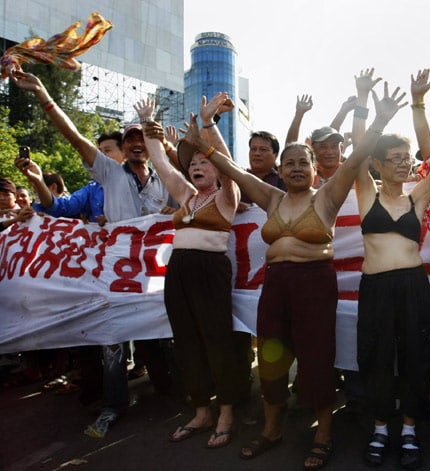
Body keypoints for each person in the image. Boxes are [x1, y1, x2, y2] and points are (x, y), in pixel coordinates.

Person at [192, 81, 405, 470]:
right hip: (276, 286)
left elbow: (356, 156)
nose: (294, 168)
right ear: (281, 169)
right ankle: (272, 429)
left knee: (316, 357)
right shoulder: (270, 197)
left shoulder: (328, 195)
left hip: (314, 284)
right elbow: (231, 169)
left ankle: (323, 433)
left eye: (301, 162)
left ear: (313, 169)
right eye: (288, 162)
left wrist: (381, 119)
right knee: (271, 360)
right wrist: (206, 135)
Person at [10, 69, 175, 438]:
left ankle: (172, 394)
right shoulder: (110, 173)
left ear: (151, 144)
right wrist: (42, 93)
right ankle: (113, 405)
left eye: (142, 138)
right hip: (116, 276)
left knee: (158, 336)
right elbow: (73, 136)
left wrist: (173, 212)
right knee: (112, 340)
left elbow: (190, 204)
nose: (135, 143)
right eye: (130, 138)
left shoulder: (166, 180)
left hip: (155, 276)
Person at [354, 70, 430, 470]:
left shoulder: (418, 198)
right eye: (393, 158)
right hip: (376, 287)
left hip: (414, 286)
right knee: (375, 356)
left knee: (417, 354)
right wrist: (367, 105)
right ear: (379, 164)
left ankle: (410, 428)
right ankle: (381, 427)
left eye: (406, 157)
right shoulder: (366, 193)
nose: (402, 163)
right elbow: (358, 154)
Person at [134, 94, 244, 449]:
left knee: (217, 340)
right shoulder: (185, 195)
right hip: (178, 271)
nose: (196, 166)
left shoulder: (228, 195)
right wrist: (149, 126)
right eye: (192, 163)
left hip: (210, 271)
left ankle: (226, 412)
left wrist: (208, 126)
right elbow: (162, 165)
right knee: (186, 341)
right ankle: (201, 410)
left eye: (203, 162)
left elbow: (228, 165)